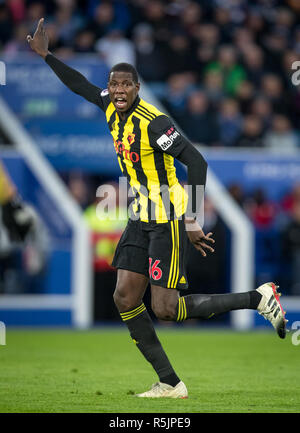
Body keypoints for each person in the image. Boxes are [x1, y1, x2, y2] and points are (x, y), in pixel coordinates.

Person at [27, 18, 287, 399]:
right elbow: (80, 84)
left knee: (165, 308)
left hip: (165, 217)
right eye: (113, 84)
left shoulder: (155, 123)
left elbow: (196, 162)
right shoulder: (109, 106)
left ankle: (257, 298)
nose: (117, 90)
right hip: (138, 217)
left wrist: (193, 217)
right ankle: (169, 382)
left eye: (125, 85)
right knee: (125, 297)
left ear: (137, 88)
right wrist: (46, 55)